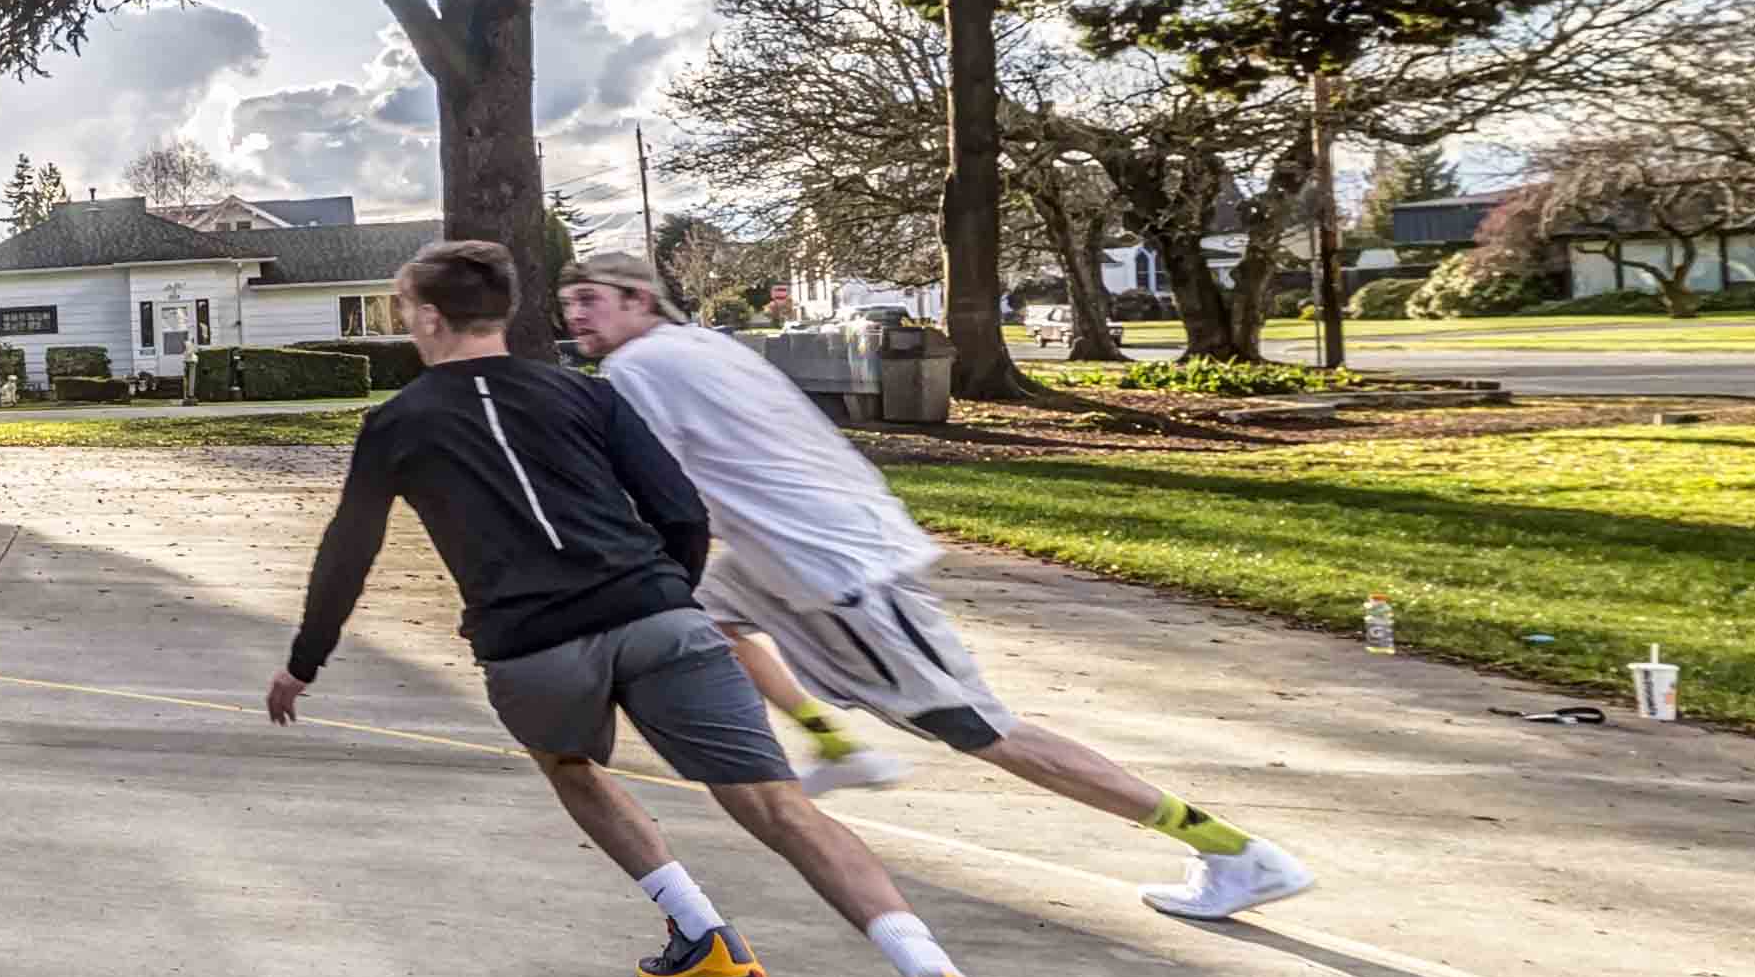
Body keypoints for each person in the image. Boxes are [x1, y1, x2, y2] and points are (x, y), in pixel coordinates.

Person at [268, 237, 1083, 977]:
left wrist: (305, 659)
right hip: (660, 618)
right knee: (782, 808)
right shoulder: (588, 392)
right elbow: (680, 511)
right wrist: (664, 592)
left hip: (531, 649)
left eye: (400, 302)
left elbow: (348, 550)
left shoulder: (397, 422)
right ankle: (935, 973)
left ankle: (699, 930)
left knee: (571, 766)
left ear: (426, 317)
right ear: (501, 313)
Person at [553, 249, 1315, 921]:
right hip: (785, 556)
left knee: (982, 731)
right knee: (707, 614)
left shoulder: (640, 367)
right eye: (568, 305)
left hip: (835, 569)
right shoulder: (698, 348)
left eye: (590, 301)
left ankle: (1231, 850)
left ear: (638, 301)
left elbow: (653, 482)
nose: (577, 316)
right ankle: (831, 741)